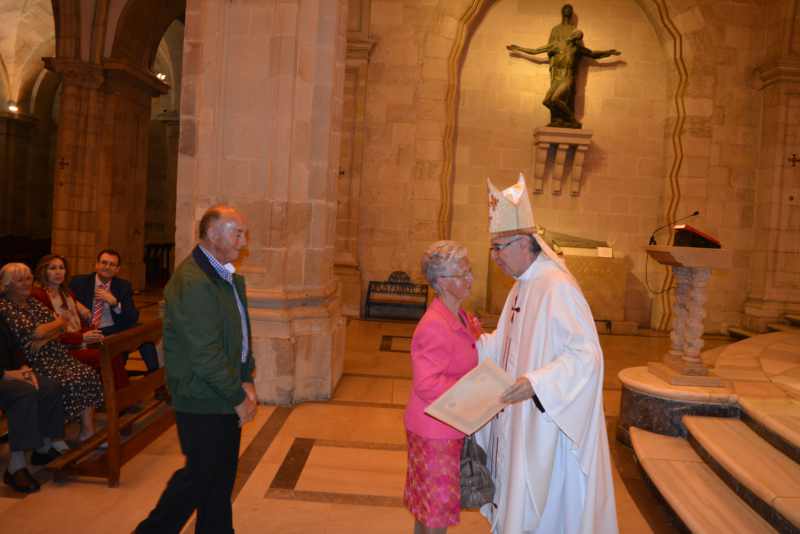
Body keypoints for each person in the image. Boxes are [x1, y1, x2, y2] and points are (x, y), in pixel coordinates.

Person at [475, 175, 617, 533]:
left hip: (546, 422)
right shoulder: (522, 286)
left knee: (548, 508)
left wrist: (537, 383)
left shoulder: (556, 286)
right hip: (517, 416)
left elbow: (586, 356)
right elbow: (506, 344)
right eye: (492, 249)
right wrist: (471, 343)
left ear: (525, 243)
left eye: (500, 247)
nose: (495, 257)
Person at [136, 205, 257, 534]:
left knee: (220, 478)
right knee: (199, 477)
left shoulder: (225, 276)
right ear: (213, 234)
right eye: (238, 234)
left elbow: (239, 334)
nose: (244, 242)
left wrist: (246, 376)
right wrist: (237, 396)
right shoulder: (193, 282)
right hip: (201, 395)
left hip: (221, 390)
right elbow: (205, 354)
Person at [403, 241, 480, 534]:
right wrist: (473, 390)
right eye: (462, 274)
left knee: (432, 507)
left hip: (448, 423)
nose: (470, 279)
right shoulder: (434, 324)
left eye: (469, 271)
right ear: (442, 282)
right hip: (434, 431)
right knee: (436, 511)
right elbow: (427, 384)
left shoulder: (458, 315)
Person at [0, 263, 104, 442]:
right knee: (69, 380)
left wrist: (46, 334)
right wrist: (55, 325)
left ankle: (87, 431)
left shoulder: (32, 301)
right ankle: (53, 435)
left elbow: (58, 328)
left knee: (88, 374)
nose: (26, 283)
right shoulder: (5, 306)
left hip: (56, 353)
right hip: (33, 359)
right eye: (20, 280)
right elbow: (37, 332)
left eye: (28, 279)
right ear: (7, 284)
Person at [506, 4, 621, 128]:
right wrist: (518, 48)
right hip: (556, 78)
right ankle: (560, 119)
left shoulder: (576, 49)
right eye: (577, 34)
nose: (576, 36)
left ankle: (572, 120)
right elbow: (535, 51)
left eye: (579, 36)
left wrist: (608, 52)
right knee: (546, 101)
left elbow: (592, 54)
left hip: (567, 78)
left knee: (555, 99)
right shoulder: (556, 44)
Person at [31, 254, 129, 389]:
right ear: (43, 271)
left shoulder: (67, 293)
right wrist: (82, 337)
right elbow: (50, 334)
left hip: (76, 342)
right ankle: (116, 396)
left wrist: (91, 333)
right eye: (52, 268)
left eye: (61, 268)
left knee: (112, 351)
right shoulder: (39, 295)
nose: (58, 272)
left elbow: (78, 326)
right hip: (59, 350)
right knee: (107, 357)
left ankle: (118, 395)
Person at [0, 314, 69, 493]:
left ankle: (43, 449)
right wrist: (5, 375)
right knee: (24, 393)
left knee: (49, 387)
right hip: (4, 376)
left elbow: (14, 345)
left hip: (11, 373)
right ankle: (15, 466)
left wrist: (24, 368)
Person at [70, 249, 160, 372]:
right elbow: (62, 293)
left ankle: (155, 375)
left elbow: (132, 317)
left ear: (117, 270)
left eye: (112, 264)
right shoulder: (79, 281)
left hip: (112, 329)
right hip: (87, 329)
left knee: (143, 335)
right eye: (104, 263)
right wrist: (77, 305)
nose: (107, 267)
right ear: (96, 265)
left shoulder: (123, 286)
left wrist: (115, 304)